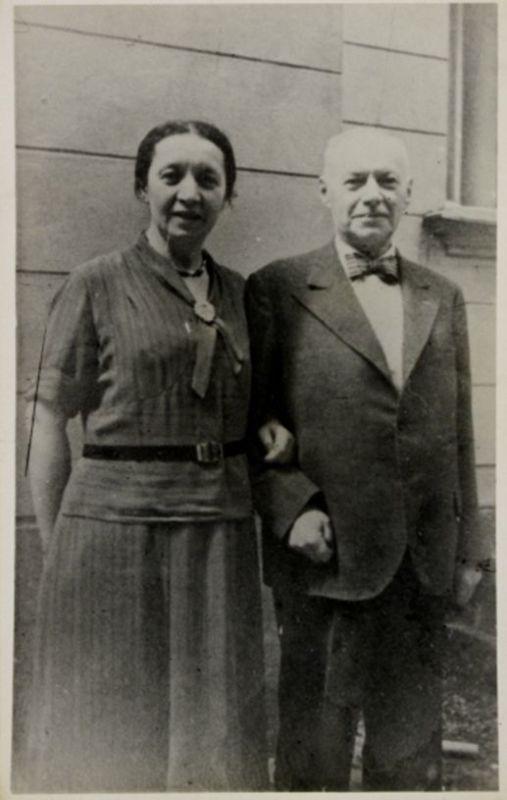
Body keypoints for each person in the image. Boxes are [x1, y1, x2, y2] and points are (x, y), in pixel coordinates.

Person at [22, 119, 293, 792]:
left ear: (228, 195)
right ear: (142, 186)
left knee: (212, 726)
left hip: (218, 530)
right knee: (112, 719)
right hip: (111, 533)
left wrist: (269, 429)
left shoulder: (243, 295)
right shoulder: (94, 283)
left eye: (208, 178)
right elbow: (48, 418)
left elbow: (253, 403)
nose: (189, 193)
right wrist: (58, 547)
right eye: (171, 175)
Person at [245, 128, 486, 791]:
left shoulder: (442, 294)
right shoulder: (278, 288)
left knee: (409, 755)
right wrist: (291, 509)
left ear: (409, 194)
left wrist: (472, 547)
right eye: (355, 181)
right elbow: (254, 421)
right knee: (315, 750)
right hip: (328, 558)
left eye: (388, 181)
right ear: (325, 192)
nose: (373, 195)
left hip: (421, 562)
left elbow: (459, 432)